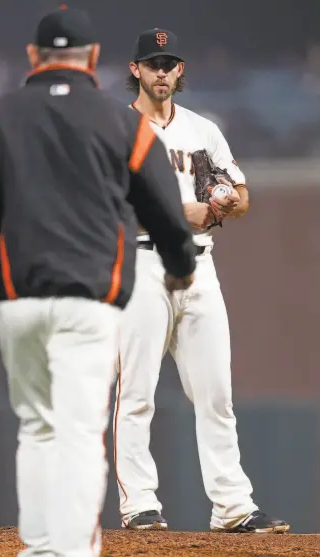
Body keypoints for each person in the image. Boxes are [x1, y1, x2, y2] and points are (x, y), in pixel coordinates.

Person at [0, 10, 197, 557]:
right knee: (80, 432)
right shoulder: (123, 123)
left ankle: (38, 548)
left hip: (17, 299)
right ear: (95, 58)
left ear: (34, 58)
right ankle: (73, 551)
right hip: (90, 301)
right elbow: (165, 207)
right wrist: (180, 265)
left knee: (37, 427)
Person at [113, 28, 290, 534]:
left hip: (199, 267)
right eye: (152, 63)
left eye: (169, 63)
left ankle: (232, 506)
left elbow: (243, 196)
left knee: (216, 394)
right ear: (135, 70)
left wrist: (223, 204)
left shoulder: (203, 130)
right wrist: (178, 212)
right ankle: (139, 505)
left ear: (180, 69)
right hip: (142, 265)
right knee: (138, 393)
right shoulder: (113, 131)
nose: (162, 72)